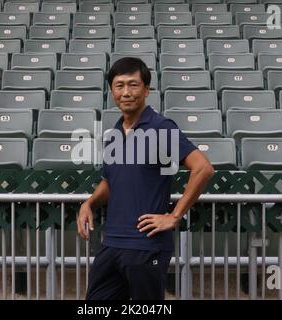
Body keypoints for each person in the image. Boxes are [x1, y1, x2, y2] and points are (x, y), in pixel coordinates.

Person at [76, 57, 214, 300]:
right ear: (112, 91)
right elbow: (111, 182)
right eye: (119, 86)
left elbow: (203, 168)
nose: (126, 92)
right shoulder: (114, 134)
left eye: (133, 85)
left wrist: (174, 216)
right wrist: (89, 203)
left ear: (147, 90)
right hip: (111, 244)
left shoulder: (161, 127)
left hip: (146, 246)